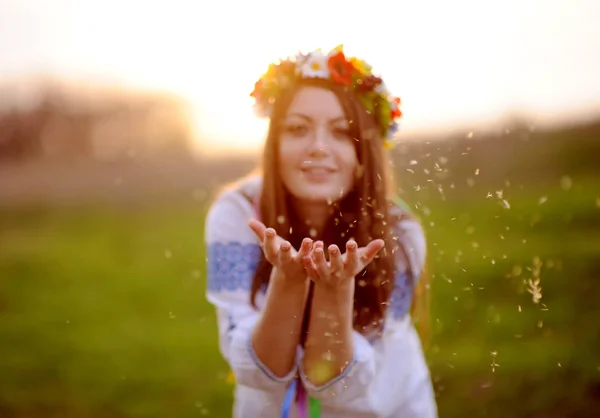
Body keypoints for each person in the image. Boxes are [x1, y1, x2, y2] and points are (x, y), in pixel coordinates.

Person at [205, 45, 438, 418]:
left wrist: (334, 291)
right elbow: (261, 376)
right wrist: (289, 282)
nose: (318, 147)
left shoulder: (399, 233)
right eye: (297, 129)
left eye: (342, 132)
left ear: (366, 152)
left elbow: (340, 389)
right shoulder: (238, 215)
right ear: (273, 143)